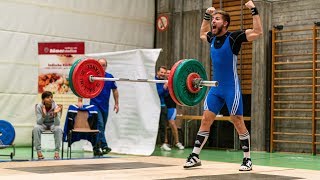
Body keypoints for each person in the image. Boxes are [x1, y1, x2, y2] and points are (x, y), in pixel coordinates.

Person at [183, 0, 262, 171]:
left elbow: (258, 32)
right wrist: (206, 16)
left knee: (237, 121)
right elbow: (202, 33)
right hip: (216, 88)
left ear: (225, 23)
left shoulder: (233, 38)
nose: (213, 21)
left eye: (217, 19)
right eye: (213, 19)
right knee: (206, 119)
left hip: (230, 87)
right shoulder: (211, 38)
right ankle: (195, 156)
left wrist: (253, 10)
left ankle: (247, 160)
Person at [78, 58, 119, 156]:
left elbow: (115, 90)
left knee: (100, 129)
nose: (102, 67)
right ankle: (104, 146)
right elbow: (81, 87)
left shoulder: (109, 77)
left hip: (105, 107)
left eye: (104, 65)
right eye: (100, 65)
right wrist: (80, 100)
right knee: (99, 125)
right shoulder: (92, 77)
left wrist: (117, 103)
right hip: (94, 106)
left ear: (106, 66)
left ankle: (96, 148)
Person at [33, 91, 63, 160]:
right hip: (43, 124)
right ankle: (39, 151)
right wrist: (43, 115)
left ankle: (57, 152)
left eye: (51, 97)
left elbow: (57, 123)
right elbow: (39, 122)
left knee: (58, 128)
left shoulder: (56, 106)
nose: (50, 99)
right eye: (48, 97)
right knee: (36, 128)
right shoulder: (39, 106)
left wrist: (55, 114)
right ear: (43, 100)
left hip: (53, 124)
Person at [164, 69, 184, 150]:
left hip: (171, 107)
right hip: (163, 106)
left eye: (169, 73)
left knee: (172, 123)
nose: (168, 74)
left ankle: (177, 142)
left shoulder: (174, 83)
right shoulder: (162, 83)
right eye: (167, 73)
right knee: (164, 125)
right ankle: (165, 142)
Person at [155, 66, 171, 151]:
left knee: (163, 126)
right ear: (157, 72)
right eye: (161, 72)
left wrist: (166, 88)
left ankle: (163, 143)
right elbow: (156, 93)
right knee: (152, 125)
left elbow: (165, 95)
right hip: (154, 106)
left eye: (164, 73)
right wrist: (164, 87)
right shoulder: (154, 80)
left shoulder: (163, 81)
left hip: (162, 105)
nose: (163, 74)